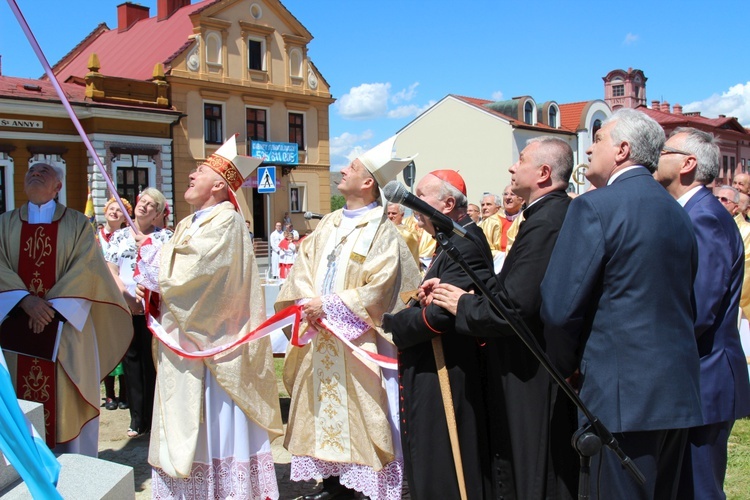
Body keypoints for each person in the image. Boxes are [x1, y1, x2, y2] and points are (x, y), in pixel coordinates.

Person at [540, 108, 703, 499]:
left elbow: (559, 307)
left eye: (598, 140)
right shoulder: (679, 213)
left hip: (618, 397)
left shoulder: (595, 206)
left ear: (623, 150)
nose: (589, 149)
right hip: (675, 392)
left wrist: (566, 369)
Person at [427, 137, 579, 500]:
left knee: (531, 466)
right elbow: (514, 286)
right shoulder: (545, 215)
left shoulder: (546, 222)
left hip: (531, 365)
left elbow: (517, 306)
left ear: (543, 173)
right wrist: (477, 293)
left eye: (521, 160)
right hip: (531, 361)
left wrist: (463, 303)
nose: (512, 167)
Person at [276, 135, 421, 500]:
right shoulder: (329, 222)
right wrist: (308, 302)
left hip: (360, 342)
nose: (342, 169)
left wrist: (328, 306)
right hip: (319, 334)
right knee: (321, 409)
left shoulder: (383, 231)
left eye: (351, 167)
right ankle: (331, 483)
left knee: (362, 413)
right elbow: (303, 266)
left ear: (368, 182)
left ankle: (365, 486)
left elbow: (383, 287)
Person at [139, 136, 283, 498]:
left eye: (199, 171)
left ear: (219, 184)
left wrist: (155, 261)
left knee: (212, 423)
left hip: (214, 347)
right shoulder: (190, 222)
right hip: (184, 340)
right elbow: (177, 273)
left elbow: (197, 271)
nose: (190, 174)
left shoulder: (227, 221)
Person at [0, 162, 132, 456]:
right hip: (15, 332)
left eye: (43, 172)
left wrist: (47, 311)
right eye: (30, 171)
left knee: (67, 399)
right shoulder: (3, 224)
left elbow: (87, 270)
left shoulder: (78, 225)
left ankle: (73, 466)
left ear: (58, 186)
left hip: (65, 331)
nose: (34, 173)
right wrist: (25, 301)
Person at [383, 170, 493, 500]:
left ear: (447, 204)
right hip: (436, 363)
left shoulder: (466, 241)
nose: (412, 205)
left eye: (420, 197)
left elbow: (444, 313)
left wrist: (397, 324)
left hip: (450, 368)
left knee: (446, 461)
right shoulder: (451, 240)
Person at [654, 127, 750, 499]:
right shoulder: (693, 212)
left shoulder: (702, 217)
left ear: (687, 164)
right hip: (698, 376)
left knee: (699, 488)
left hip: (704, 379)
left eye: (664, 151)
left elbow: (699, 307)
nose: (655, 157)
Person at [105, 188, 171, 438]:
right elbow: (111, 270)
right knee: (132, 363)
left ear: (157, 214)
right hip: (127, 307)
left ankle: (155, 418)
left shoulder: (165, 237)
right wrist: (128, 298)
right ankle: (137, 419)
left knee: (154, 362)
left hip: (155, 311)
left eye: (151, 204)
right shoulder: (119, 236)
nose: (144, 205)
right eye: (142, 200)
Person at [97, 197, 133, 411]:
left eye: (120, 210)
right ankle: (109, 395)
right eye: (111, 209)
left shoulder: (127, 237)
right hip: (103, 295)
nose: (114, 213)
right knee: (106, 344)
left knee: (125, 343)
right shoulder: (94, 236)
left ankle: (125, 392)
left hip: (123, 295)